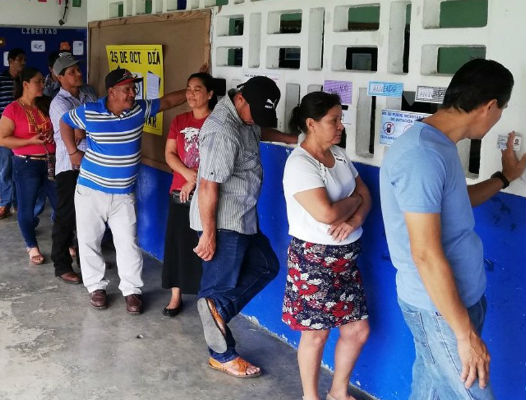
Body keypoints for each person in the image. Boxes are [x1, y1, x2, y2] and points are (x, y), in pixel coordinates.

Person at [379, 59, 526, 399]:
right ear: (490, 107)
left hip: (456, 300)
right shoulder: (422, 155)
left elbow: (459, 200)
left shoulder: (439, 146)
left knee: (431, 389)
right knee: (473, 393)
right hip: (441, 309)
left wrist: (503, 178)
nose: (498, 117)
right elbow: (425, 254)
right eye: (501, 109)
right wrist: (464, 334)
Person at [189, 76, 296, 378]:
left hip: (243, 217)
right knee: (218, 287)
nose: (255, 121)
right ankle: (221, 355)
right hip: (223, 222)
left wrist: (293, 139)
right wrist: (209, 234)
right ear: (240, 100)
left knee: (266, 265)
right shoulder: (222, 130)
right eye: (254, 113)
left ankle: (216, 311)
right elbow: (208, 185)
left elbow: (259, 130)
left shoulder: (244, 119)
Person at [59, 67, 187, 314]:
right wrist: (72, 151)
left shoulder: (138, 110)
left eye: (134, 88)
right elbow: (65, 121)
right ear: (112, 92)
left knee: (128, 243)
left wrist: (193, 90)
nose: (132, 93)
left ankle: (132, 291)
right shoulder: (91, 111)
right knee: (89, 241)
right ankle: (96, 287)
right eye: (127, 89)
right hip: (90, 191)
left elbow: (170, 100)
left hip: (123, 194)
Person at [282, 92, 371, 400]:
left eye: (340, 119)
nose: (340, 126)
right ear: (311, 123)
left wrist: (355, 218)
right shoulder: (300, 164)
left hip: (346, 260)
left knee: (357, 330)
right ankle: (311, 397)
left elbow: (365, 193)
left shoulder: (340, 155)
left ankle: (338, 392)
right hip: (314, 261)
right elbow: (326, 213)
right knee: (316, 334)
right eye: (334, 120)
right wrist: (354, 203)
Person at [161, 72, 216, 317]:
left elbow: (219, 160)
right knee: (177, 244)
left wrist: (197, 180)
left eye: (197, 89)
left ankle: (209, 298)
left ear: (210, 94)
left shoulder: (216, 123)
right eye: (188, 89)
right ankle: (176, 295)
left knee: (207, 245)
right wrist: (188, 175)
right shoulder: (179, 120)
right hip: (179, 190)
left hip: (207, 192)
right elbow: (170, 154)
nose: (190, 94)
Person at [0, 67, 57, 265]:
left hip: (51, 162)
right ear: (25, 84)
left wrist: (51, 135)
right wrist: (30, 141)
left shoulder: (46, 104)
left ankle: (65, 242)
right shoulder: (12, 109)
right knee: (27, 206)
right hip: (26, 163)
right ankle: (32, 245)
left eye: (43, 81)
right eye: (38, 81)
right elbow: (3, 140)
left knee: (61, 204)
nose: (43, 84)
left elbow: (58, 127)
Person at [49, 53, 97, 284]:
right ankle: (61, 264)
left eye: (78, 69)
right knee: (67, 216)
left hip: (94, 162)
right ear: (60, 78)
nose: (78, 74)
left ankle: (88, 261)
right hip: (70, 165)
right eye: (72, 72)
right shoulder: (59, 103)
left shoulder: (89, 93)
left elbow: (96, 125)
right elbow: (75, 133)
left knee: (90, 217)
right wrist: (84, 129)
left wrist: (85, 129)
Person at [0, 48, 26, 220]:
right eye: (20, 59)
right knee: (5, 169)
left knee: (22, 168)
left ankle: (20, 203)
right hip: (6, 131)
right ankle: (5, 204)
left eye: (24, 59)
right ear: (11, 60)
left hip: (23, 131)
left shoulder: (26, 81)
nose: (23, 62)